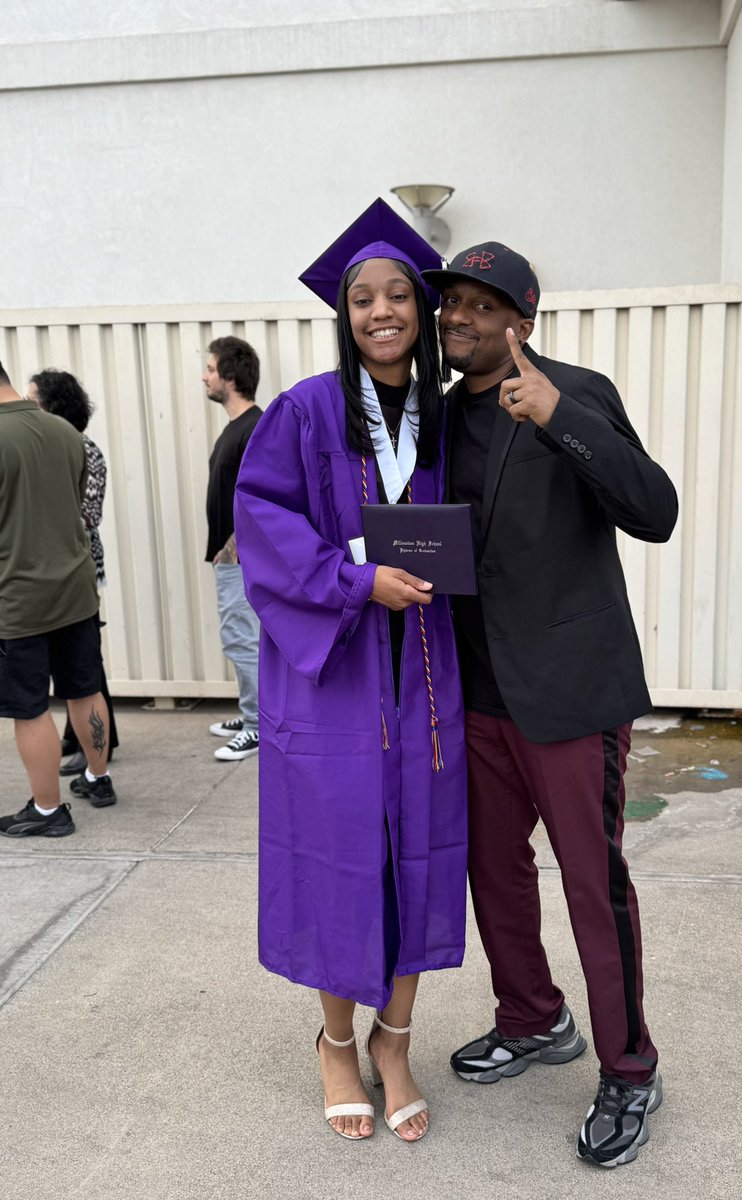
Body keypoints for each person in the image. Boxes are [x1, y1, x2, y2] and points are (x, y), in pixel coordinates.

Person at [420, 244, 679, 1168]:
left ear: (521, 323)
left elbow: (655, 510)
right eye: (451, 301)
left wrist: (560, 418)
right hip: (478, 692)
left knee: (591, 885)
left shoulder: (576, 391)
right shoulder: (435, 420)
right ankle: (532, 1017)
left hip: (571, 692)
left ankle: (631, 1068)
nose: (458, 317)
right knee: (493, 873)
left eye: (482, 305)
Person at [234, 199, 467, 1144]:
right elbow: (264, 525)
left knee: (420, 858)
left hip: (425, 674)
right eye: (362, 297)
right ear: (344, 313)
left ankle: (394, 1042)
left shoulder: (447, 417)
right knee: (340, 863)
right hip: (333, 676)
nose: (381, 311)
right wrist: (357, 580)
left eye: (398, 294)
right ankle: (336, 1043)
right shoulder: (305, 410)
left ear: (422, 308)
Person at [0, 360, 117, 839]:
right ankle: (98, 777)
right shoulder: (67, 433)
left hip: (17, 597)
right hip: (75, 588)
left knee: (29, 708)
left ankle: (48, 810)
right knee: (85, 688)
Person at [27, 369, 120, 776]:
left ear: (53, 404)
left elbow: (88, 514)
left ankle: (98, 745)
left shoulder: (84, 449)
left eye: (33, 400)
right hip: (57, 562)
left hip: (79, 564)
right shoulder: (44, 446)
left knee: (85, 661)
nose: (26, 407)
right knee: (72, 658)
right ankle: (73, 733)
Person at [203, 336, 262, 761]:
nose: (204, 377)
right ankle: (249, 713)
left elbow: (261, 497)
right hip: (229, 555)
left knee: (242, 639)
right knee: (239, 638)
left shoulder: (255, 427)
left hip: (239, 557)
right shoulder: (235, 427)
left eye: (210, 369)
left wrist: (234, 548)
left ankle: (258, 725)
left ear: (230, 375)